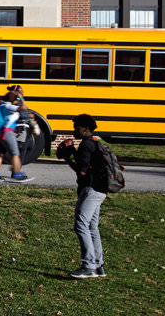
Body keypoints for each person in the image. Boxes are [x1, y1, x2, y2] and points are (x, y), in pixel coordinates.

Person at [58, 114, 110, 278]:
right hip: (101, 189)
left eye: (77, 128)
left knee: (81, 224)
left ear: (85, 128)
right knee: (92, 227)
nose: (74, 131)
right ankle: (98, 265)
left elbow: (82, 172)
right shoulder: (96, 141)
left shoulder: (86, 145)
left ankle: (88, 266)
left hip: (91, 189)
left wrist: (68, 157)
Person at [0, 85, 31, 182]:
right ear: (13, 100)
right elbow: (24, 108)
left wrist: (13, 94)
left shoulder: (1, 104)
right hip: (7, 132)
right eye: (16, 100)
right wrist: (21, 97)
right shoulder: (9, 106)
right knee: (15, 154)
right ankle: (17, 175)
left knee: (0, 154)